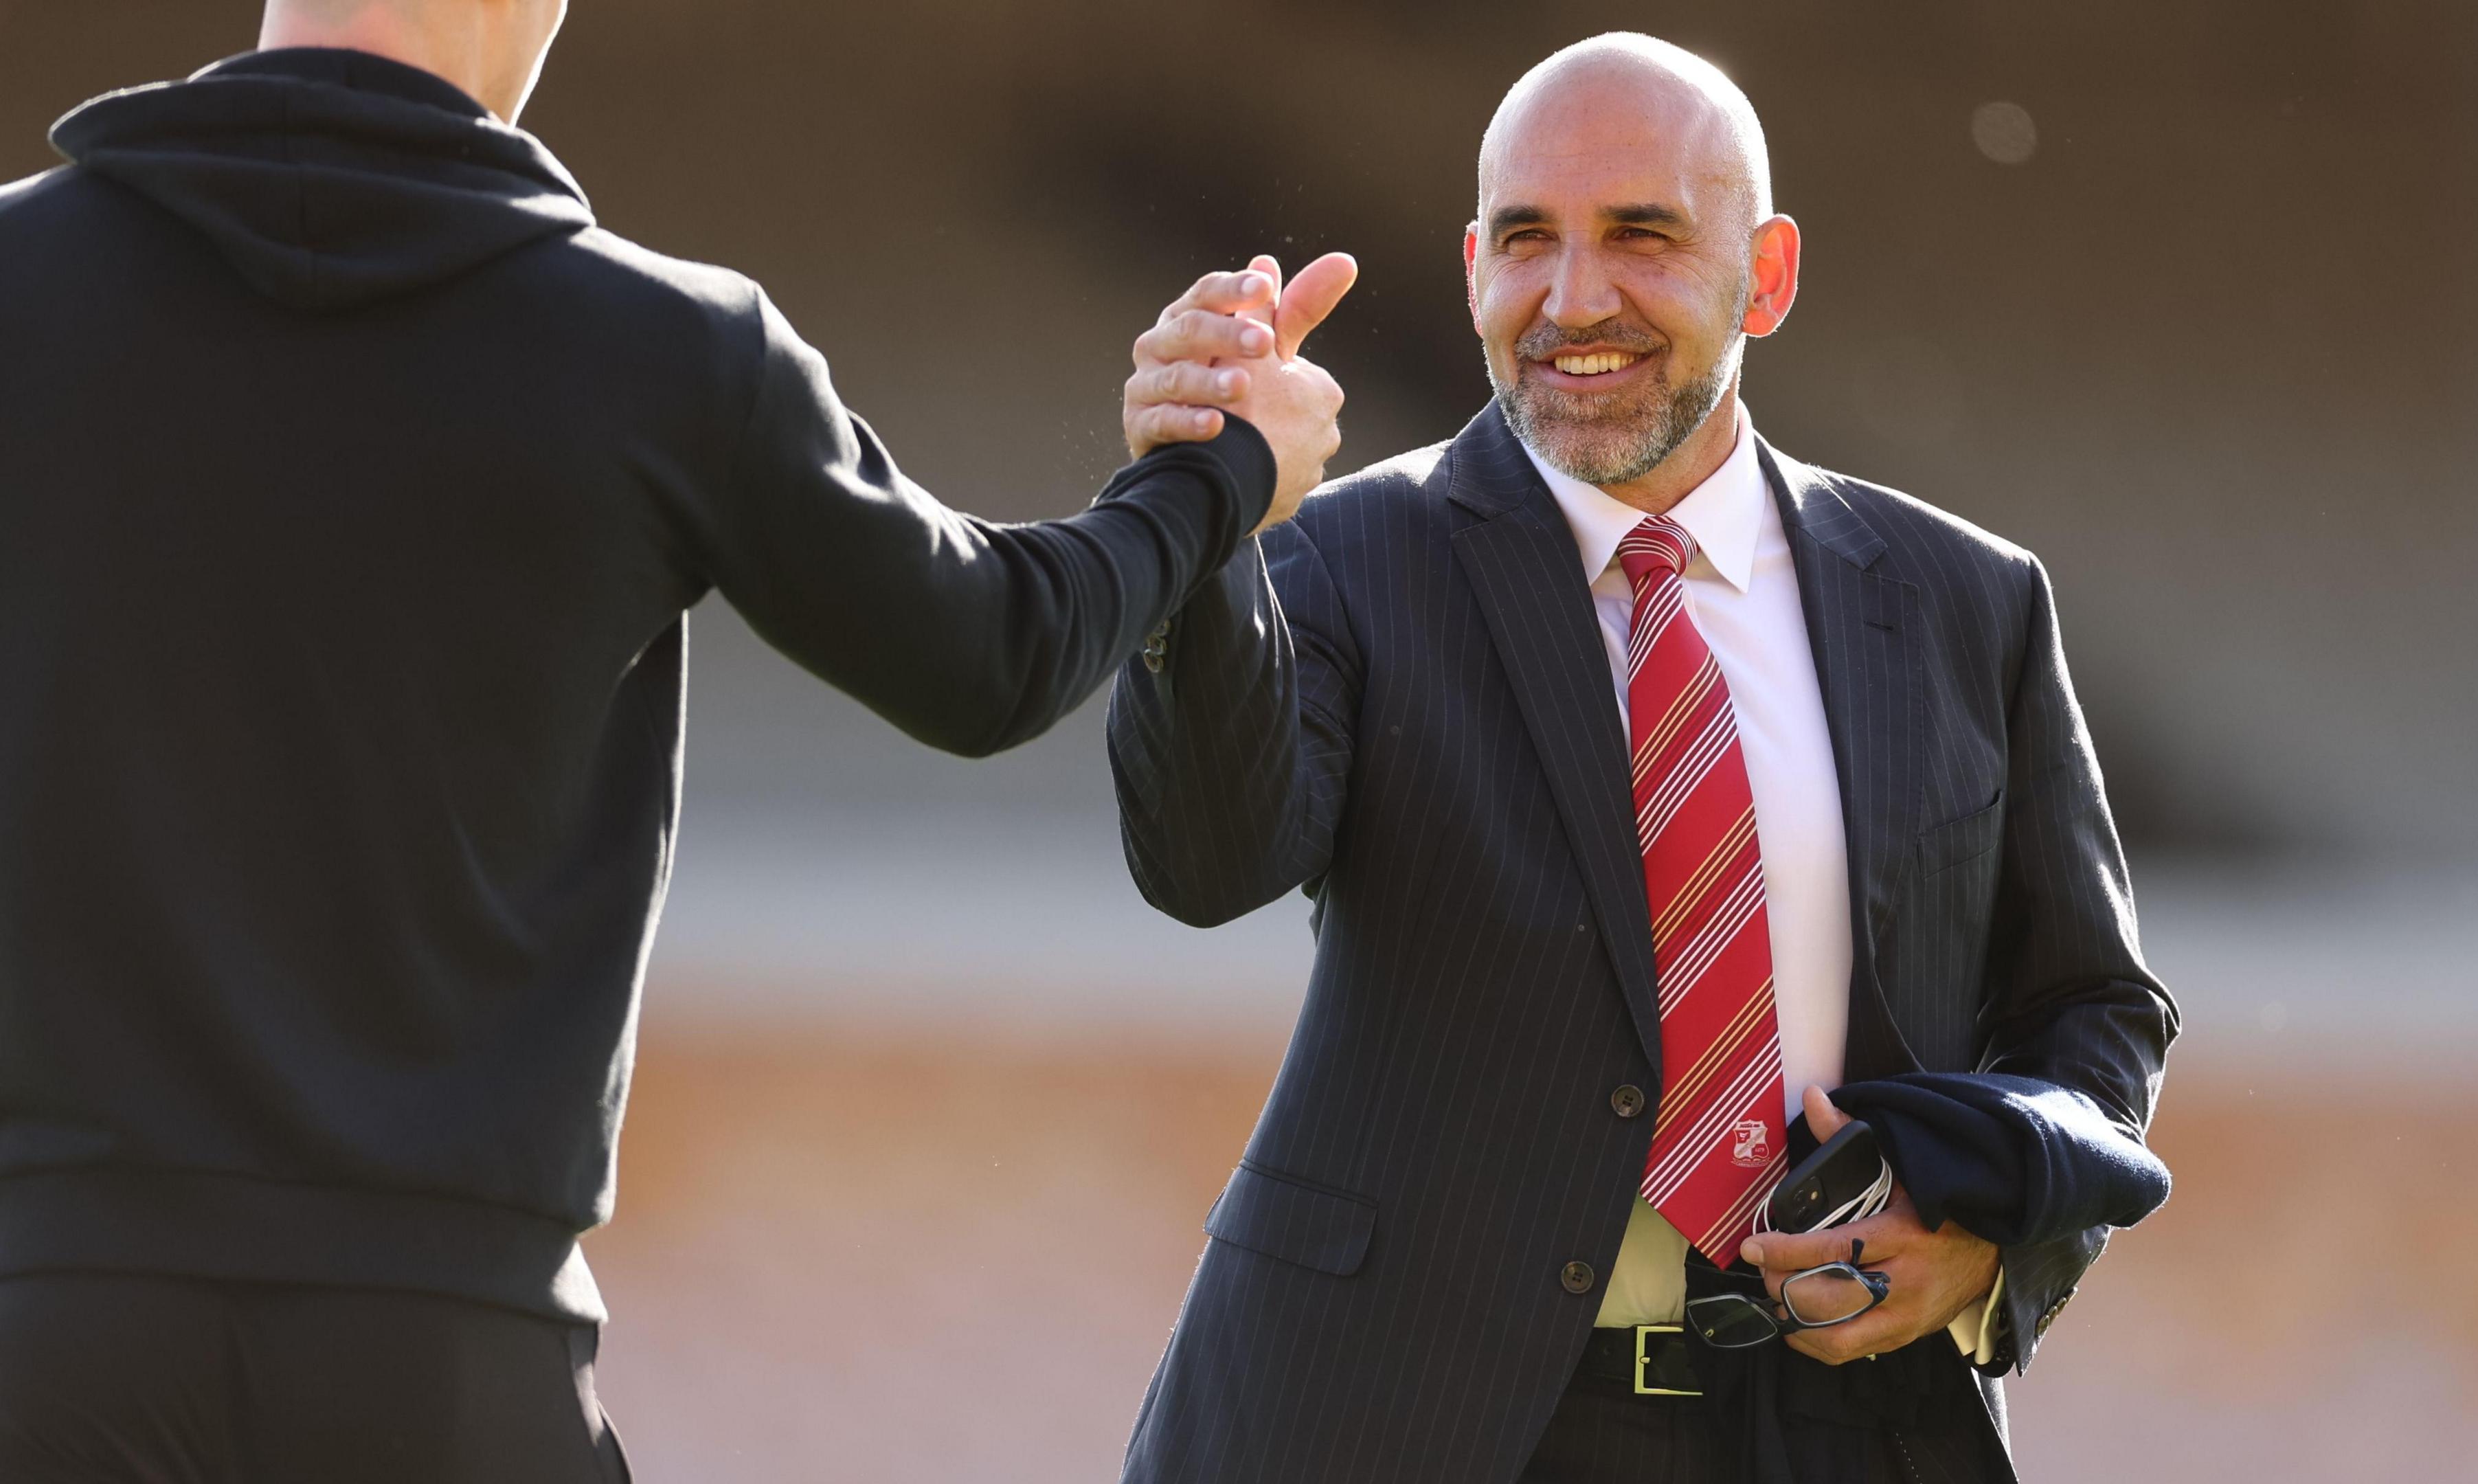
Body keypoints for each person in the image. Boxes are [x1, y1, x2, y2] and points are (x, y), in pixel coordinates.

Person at [0, 1, 1353, 1479]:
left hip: (47, 1322)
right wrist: (1215, 472)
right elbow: (996, 657)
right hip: (446, 1363)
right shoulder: (664, 346)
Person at [1107, 32, 2178, 1483]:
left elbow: (2093, 1014)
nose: (1575, 297)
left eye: (1643, 237)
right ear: (1476, 266)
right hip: (1403, 1421)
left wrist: (1992, 1242)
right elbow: (1206, 859)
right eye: (1530, 240)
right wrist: (1205, 518)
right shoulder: (1344, 558)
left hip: (1840, 1425)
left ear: (1770, 275)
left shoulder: (1965, 599)